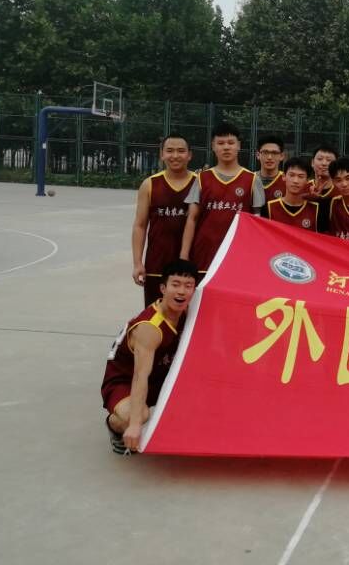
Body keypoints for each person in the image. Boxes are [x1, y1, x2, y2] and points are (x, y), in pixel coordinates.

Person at [102, 259, 199, 454]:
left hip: (160, 373)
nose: (181, 291)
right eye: (175, 285)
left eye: (188, 286)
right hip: (125, 379)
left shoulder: (188, 311)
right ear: (163, 288)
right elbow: (140, 376)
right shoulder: (150, 328)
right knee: (136, 415)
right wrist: (135, 425)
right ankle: (115, 426)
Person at [180, 123, 265, 275]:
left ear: (239, 146)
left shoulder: (252, 179)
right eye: (220, 143)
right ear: (213, 146)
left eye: (231, 143)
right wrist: (184, 256)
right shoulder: (202, 178)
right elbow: (192, 219)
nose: (226, 147)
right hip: (204, 254)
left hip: (237, 254)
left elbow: (258, 223)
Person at [131, 134, 197, 307]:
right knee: (155, 313)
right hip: (156, 263)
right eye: (170, 151)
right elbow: (140, 225)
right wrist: (137, 263)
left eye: (181, 151)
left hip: (190, 264)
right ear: (162, 154)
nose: (175, 156)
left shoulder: (200, 183)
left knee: (188, 315)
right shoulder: (150, 184)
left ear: (190, 155)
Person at [265, 156, 324, 232]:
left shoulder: (317, 209)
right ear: (283, 177)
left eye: (301, 176)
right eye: (291, 175)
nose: (295, 181)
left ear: (307, 180)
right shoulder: (269, 207)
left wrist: (317, 198)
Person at [255, 134, 287, 202]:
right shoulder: (249, 179)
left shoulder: (287, 181)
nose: (269, 157)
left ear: (282, 156)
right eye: (265, 152)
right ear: (258, 155)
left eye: (274, 153)